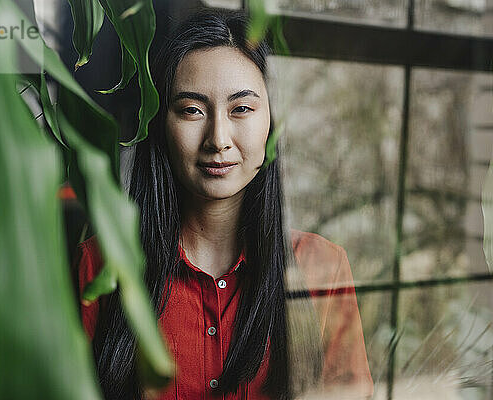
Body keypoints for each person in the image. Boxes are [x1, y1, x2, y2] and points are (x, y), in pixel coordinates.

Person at [76, 8, 373, 400]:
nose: (218, 138)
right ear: (159, 124)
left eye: (242, 108)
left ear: (272, 122)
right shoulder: (101, 264)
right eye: (192, 110)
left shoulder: (322, 267)